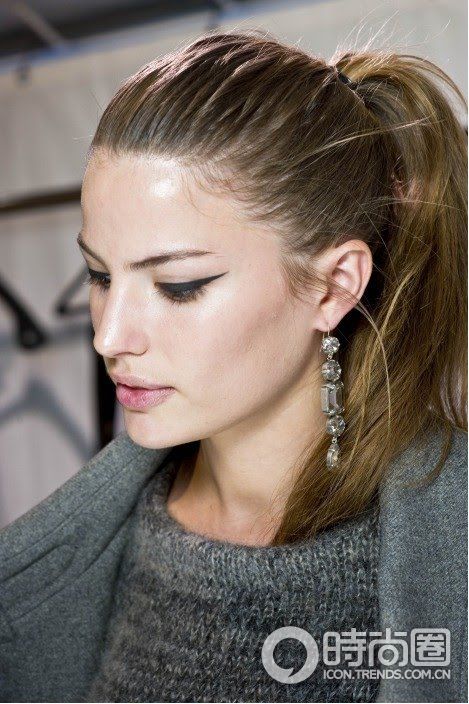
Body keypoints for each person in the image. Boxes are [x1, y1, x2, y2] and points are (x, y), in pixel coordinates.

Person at [0, 29, 467, 703]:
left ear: (334, 286)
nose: (108, 336)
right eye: (99, 276)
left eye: (179, 286)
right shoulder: (69, 563)